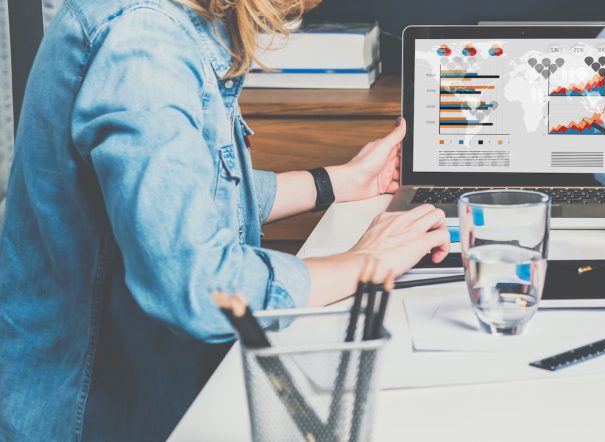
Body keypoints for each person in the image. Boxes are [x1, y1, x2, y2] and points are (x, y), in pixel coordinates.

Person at [0, 0, 449, 439]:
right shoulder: (143, 42)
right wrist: (366, 263)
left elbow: (188, 194)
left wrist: (337, 181)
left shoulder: (166, 24)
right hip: (95, 420)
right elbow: (196, 285)